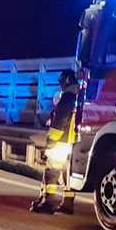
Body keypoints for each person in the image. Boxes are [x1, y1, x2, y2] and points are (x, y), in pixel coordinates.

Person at [30, 70, 79, 215]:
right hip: (74, 143)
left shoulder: (66, 99)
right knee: (67, 174)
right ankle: (68, 204)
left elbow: (59, 123)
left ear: (66, 82)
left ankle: (48, 201)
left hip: (61, 142)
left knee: (51, 171)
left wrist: (50, 143)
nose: (60, 85)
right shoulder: (79, 99)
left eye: (61, 82)